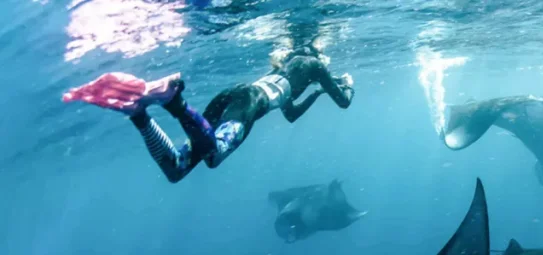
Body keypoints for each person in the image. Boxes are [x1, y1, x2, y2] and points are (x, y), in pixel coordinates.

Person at [63, 47, 355, 183]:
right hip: (251, 103)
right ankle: (174, 102)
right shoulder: (315, 65)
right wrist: (347, 86)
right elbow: (344, 103)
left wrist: (315, 94)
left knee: (176, 170)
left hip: (235, 94)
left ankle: (139, 114)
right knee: (213, 156)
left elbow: (290, 114)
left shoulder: (284, 68)